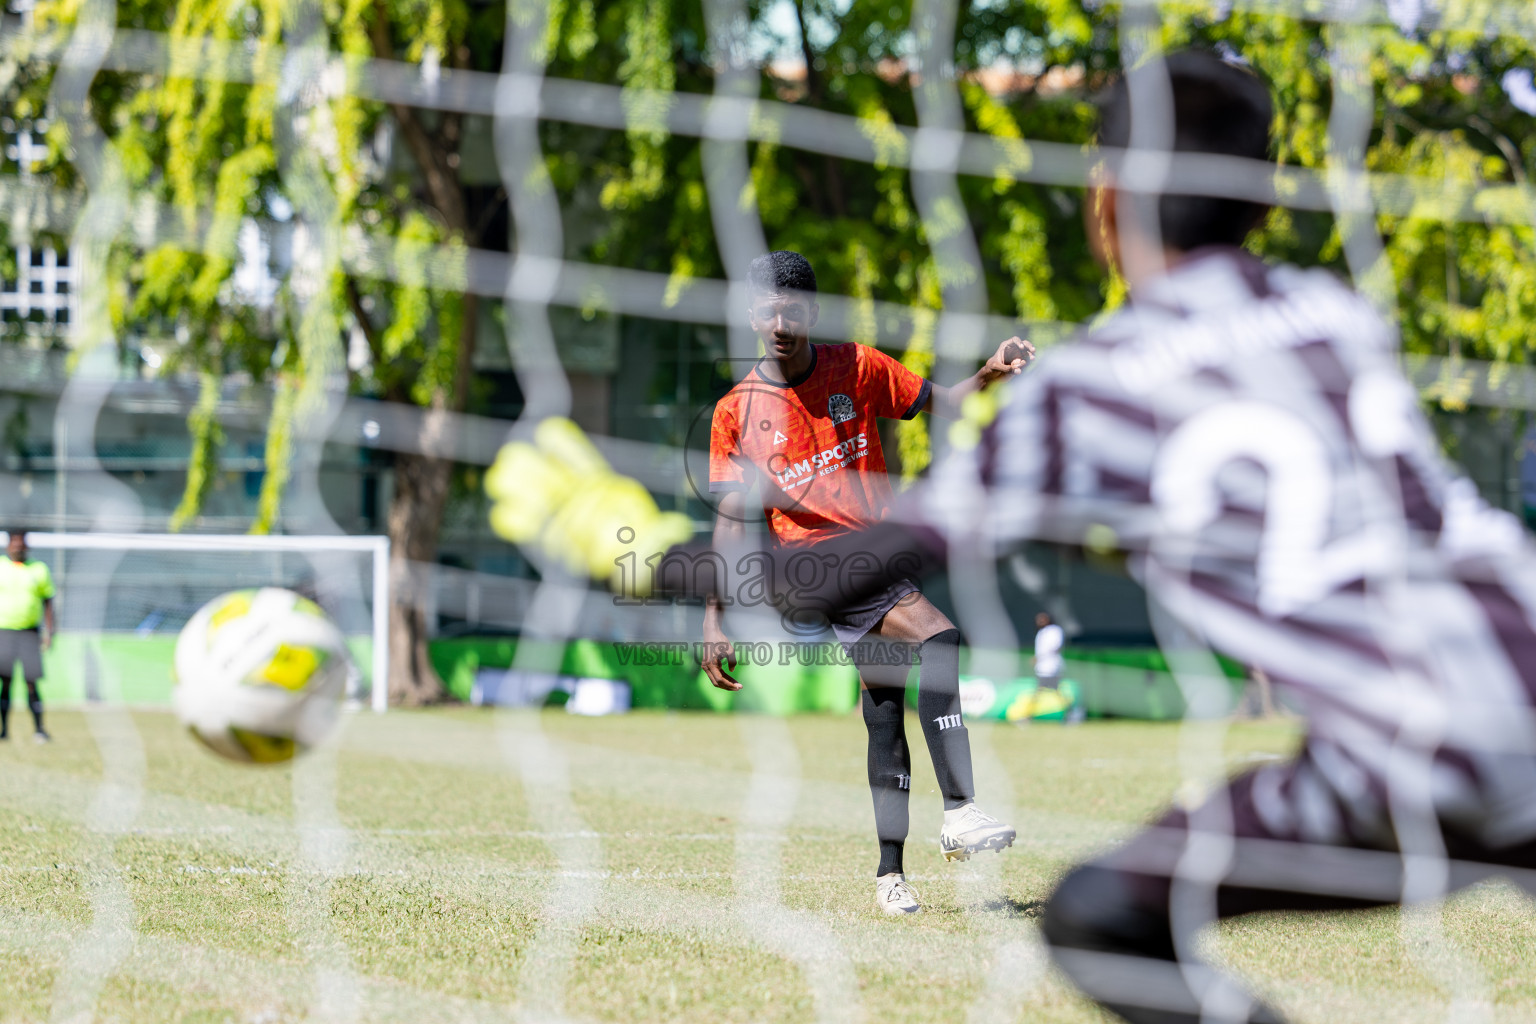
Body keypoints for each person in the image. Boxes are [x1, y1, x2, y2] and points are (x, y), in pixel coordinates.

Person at [704, 250, 1028, 915]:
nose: (778, 321)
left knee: (884, 715)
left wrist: (990, 375)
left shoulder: (858, 366)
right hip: (816, 569)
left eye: (791, 308)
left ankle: (889, 877)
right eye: (766, 308)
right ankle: (962, 809)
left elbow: (942, 402)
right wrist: (713, 616)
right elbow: (731, 522)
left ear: (811, 312)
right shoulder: (736, 413)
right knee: (938, 635)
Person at [0, 530, 54, 742]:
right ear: (8, 546)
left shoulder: (39, 570)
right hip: (3, 632)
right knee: (5, 682)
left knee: (32, 682)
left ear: (27, 546)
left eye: (21, 543)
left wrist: (50, 631)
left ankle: (39, 730)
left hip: (30, 633)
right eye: (14, 543)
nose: (18, 547)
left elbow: (48, 602)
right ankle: (4, 731)